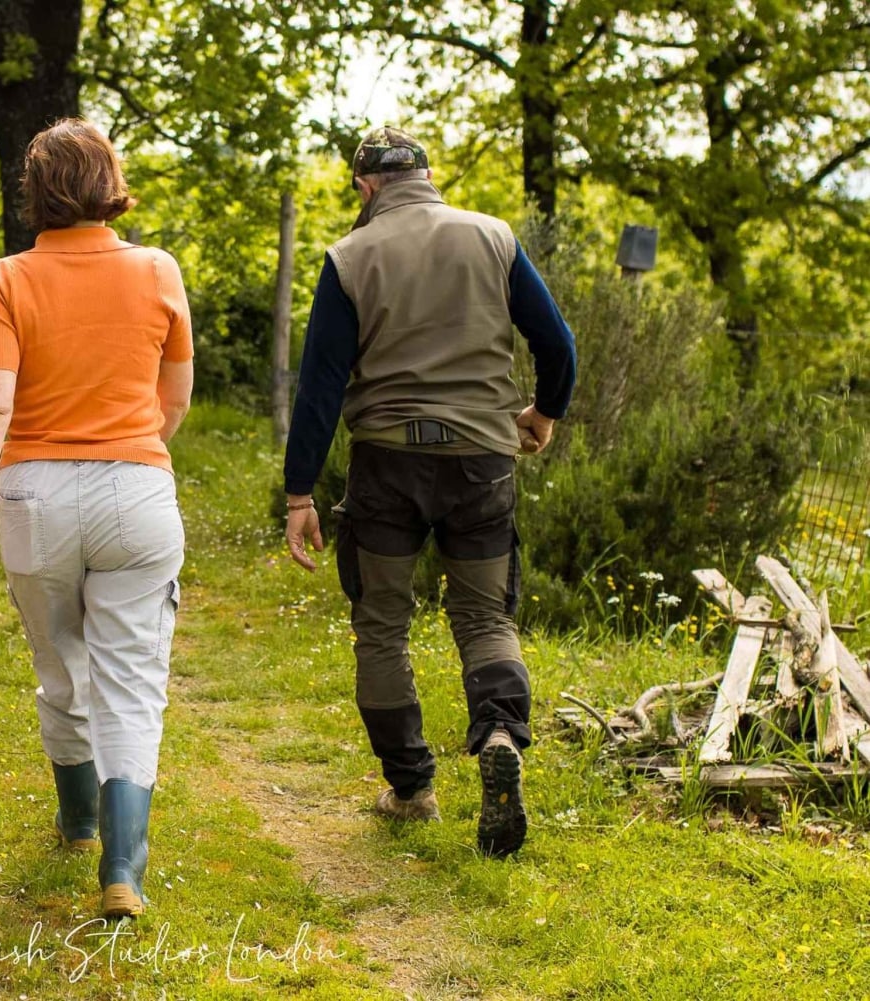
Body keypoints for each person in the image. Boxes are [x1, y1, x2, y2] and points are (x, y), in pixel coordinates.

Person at [282, 127, 577, 858]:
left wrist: (298, 495)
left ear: (365, 187)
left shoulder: (350, 257)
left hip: (386, 464)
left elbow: (319, 387)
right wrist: (542, 412)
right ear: (428, 175)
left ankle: (412, 788)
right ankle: (502, 731)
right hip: (482, 460)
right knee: (483, 616)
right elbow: (558, 344)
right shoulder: (493, 238)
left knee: (382, 624)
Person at [0, 119, 193, 918]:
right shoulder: (158, 269)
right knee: (132, 678)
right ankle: (123, 863)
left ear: (38, 191)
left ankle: (79, 816)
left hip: (34, 496)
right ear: (108, 181)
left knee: (62, 665)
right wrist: (125, 453)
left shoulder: (6, 278)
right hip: (137, 491)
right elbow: (175, 397)